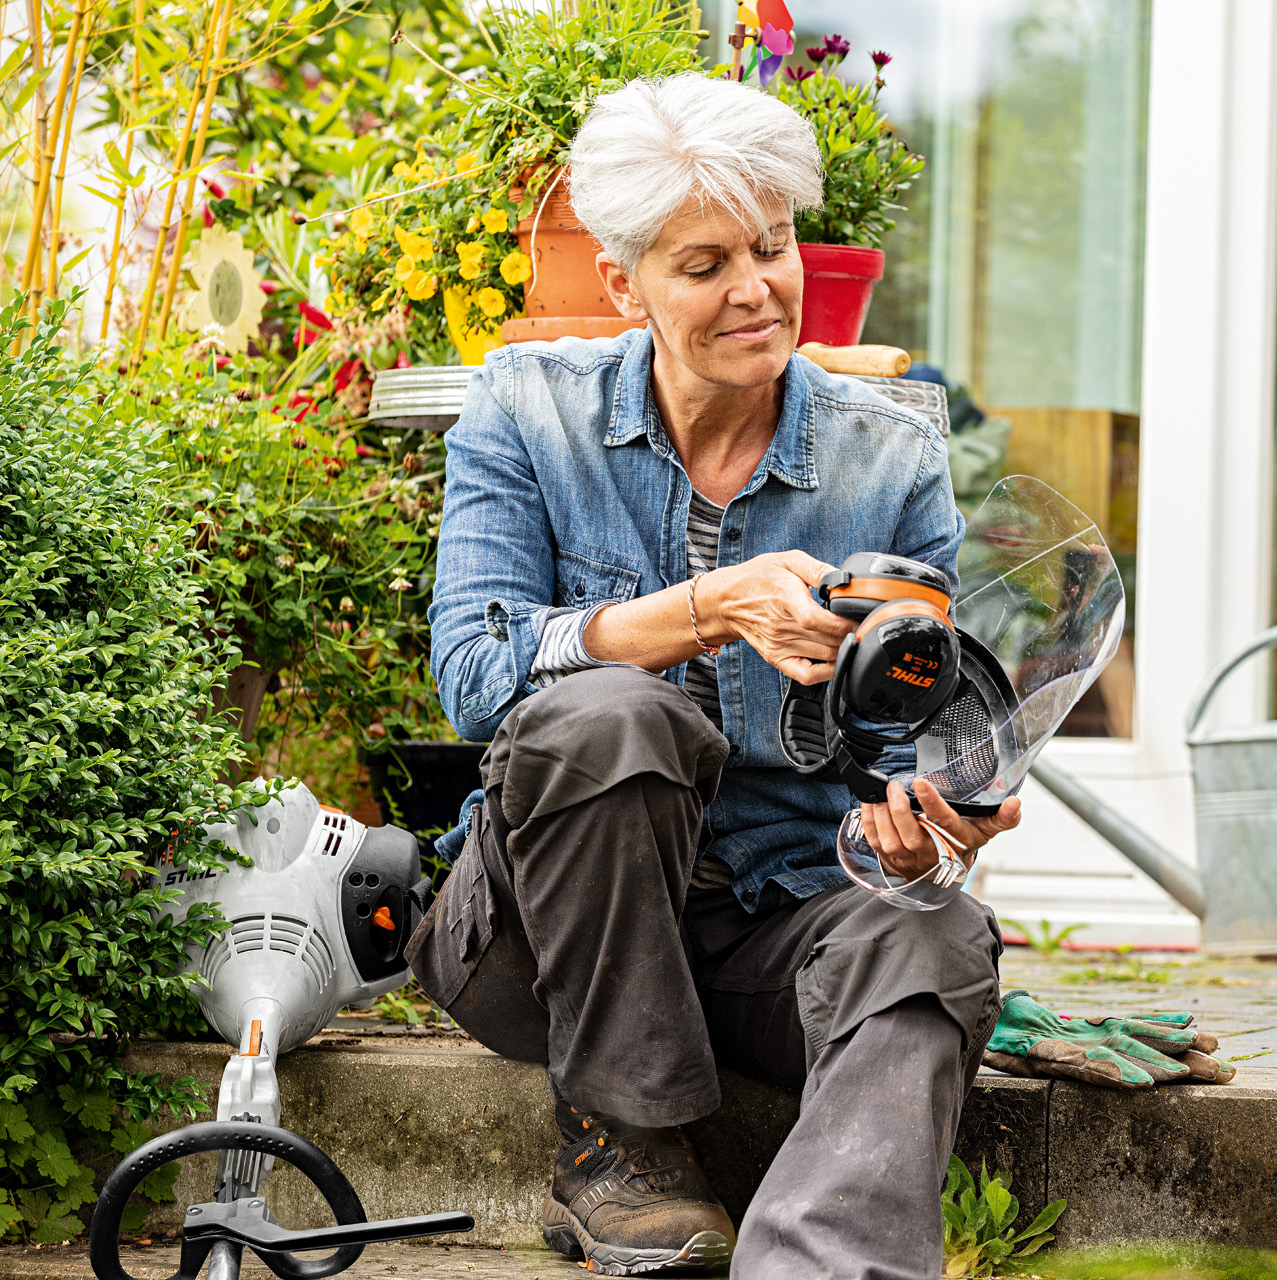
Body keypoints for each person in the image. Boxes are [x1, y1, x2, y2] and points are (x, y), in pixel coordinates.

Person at [413, 72, 1021, 1279]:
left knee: (939, 939)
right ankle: (623, 1149)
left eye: (774, 247)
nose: (755, 290)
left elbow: (907, 731)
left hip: (770, 928)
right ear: (624, 284)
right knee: (614, 716)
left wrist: (931, 820)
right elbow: (477, 676)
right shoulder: (526, 411)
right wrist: (701, 612)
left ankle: (818, 1260)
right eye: (704, 265)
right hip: (535, 942)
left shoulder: (888, 454)